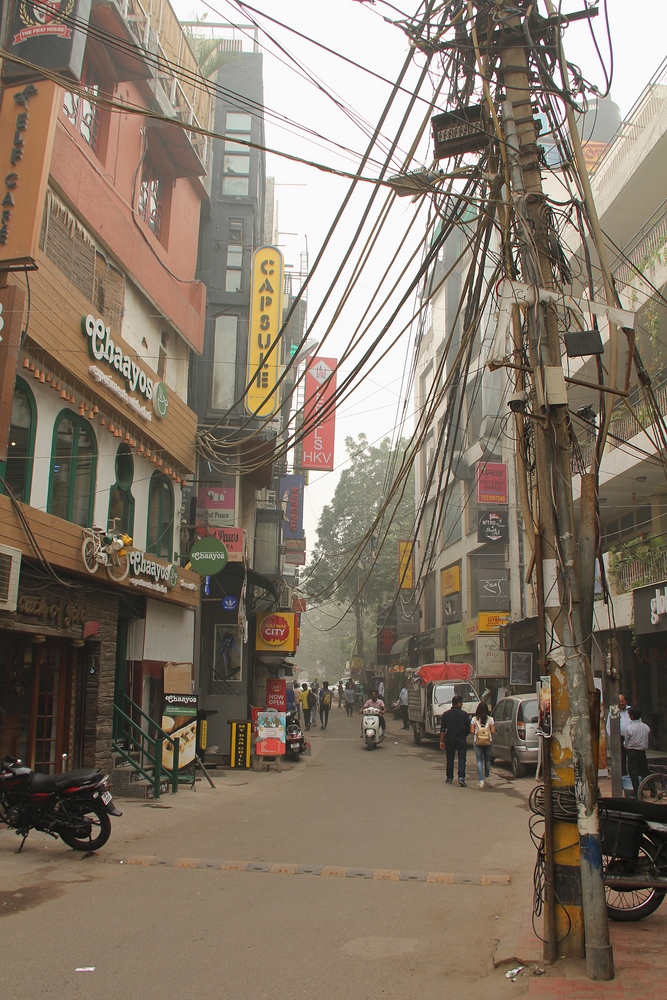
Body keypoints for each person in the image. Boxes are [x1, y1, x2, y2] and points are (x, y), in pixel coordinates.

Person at [439, 695, 470, 787]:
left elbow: (443, 729)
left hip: (450, 739)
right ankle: (461, 777)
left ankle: (449, 777)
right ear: (459, 703)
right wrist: (464, 734)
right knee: (462, 758)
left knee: (450, 759)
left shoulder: (446, 714)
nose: (462, 705)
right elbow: (468, 728)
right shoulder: (464, 715)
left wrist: (441, 741)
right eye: (461, 703)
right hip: (461, 739)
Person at [625, 706, 650, 795]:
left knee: (633, 773)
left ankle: (638, 793)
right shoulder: (646, 727)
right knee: (645, 772)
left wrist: (626, 746)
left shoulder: (629, 728)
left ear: (631, 716)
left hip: (632, 752)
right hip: (642, 752)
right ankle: (653, 791)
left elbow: (626, 742)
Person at [471, 701, 495, 788]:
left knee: (479, 760)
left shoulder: (474, 719)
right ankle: (487, 777)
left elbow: (472, 731)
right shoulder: (490, 719)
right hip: (488, 741)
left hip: (477, 742)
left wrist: (478, 732)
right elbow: (493, 731)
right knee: (487, 760)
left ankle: (481, 781)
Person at [606, 693, 630, 775]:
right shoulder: (614, 711)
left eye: (622, 701)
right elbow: (609, 726)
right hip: (619, 738)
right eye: (619, 702)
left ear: (625, 701)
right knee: (621, 758)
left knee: (632, 758)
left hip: (631, 738)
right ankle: (623, 775)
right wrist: (612, 739)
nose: (621, 703)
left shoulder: (631, 710)